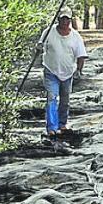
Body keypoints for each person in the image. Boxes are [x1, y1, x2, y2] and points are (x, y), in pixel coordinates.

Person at [38, 7, 88, 139]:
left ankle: (62, 124)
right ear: (58, 19)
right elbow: (40, 46)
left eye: (67, 19)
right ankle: (52, 127)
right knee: (52, 97)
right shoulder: (48, 32)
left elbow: (81, 55)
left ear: (70, 20)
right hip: (51, 70)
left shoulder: (76, 36)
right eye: (62, 18)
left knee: (65, 100)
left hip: (68, 73)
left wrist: (79, 70)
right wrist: (38, 48)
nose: (65, 21)